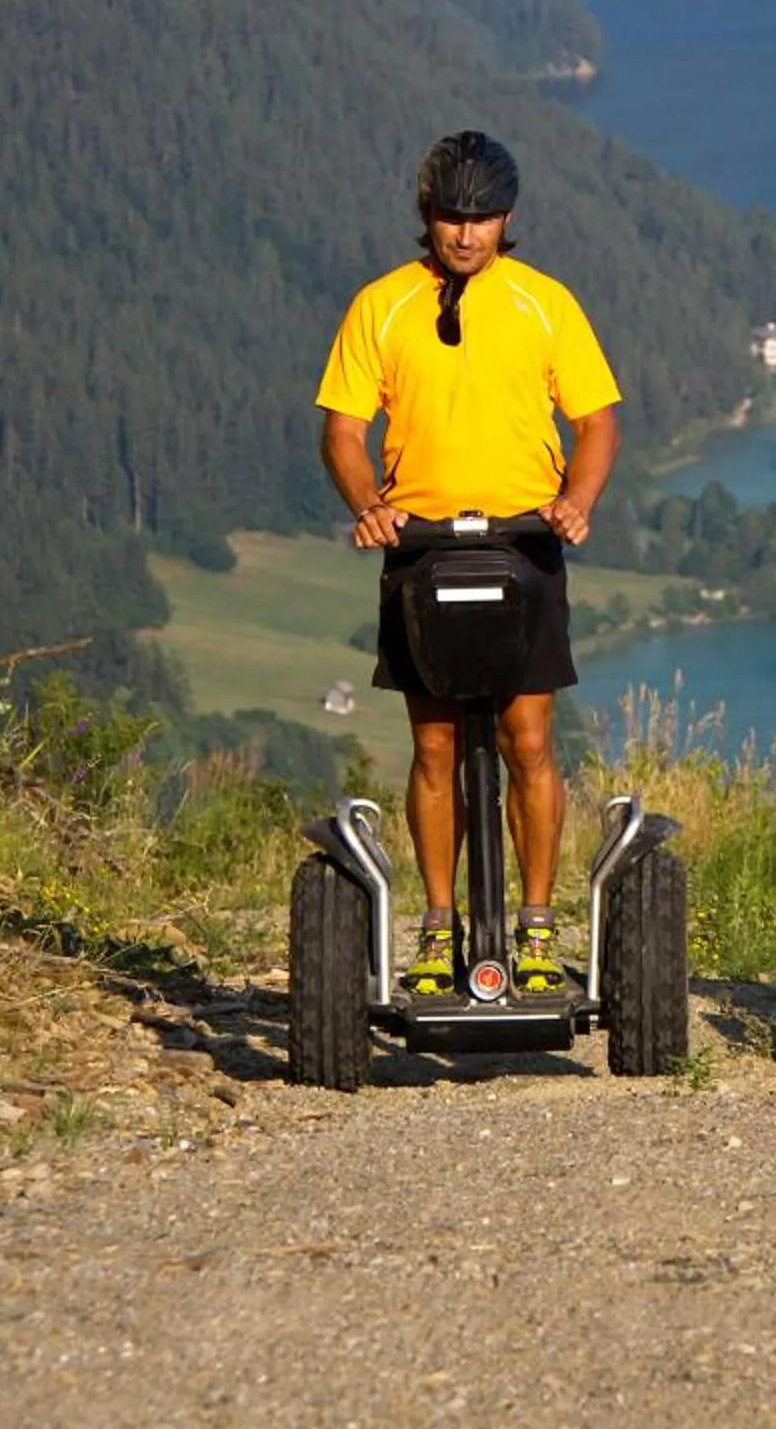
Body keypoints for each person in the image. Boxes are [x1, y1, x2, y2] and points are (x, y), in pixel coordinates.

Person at [315, 131, 622, 998]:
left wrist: (578, 502)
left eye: (482, 217)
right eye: (452, 216)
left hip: (523, 542)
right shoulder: (382, 305)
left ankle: (533, 925)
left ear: (507, 219)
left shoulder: (543, 303)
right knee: (435, 745)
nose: (466, 233)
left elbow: (596, 420)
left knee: (529, 740)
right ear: (428, 217)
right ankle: (437, 928)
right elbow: (342, 427)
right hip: (423, 548)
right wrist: (370, 507)